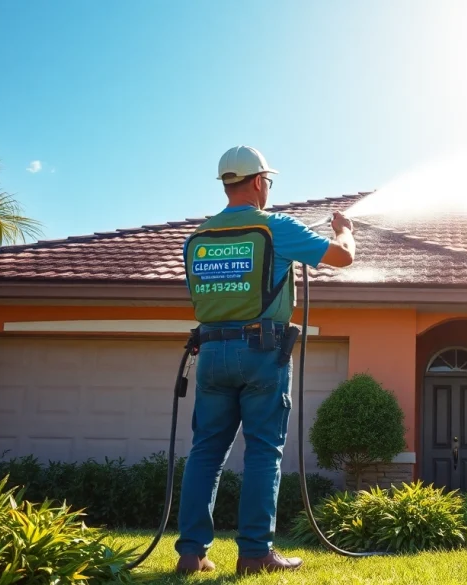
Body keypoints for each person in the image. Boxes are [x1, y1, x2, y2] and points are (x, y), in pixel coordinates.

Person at [174, 145, 356, 575]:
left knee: (205, 452)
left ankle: (190, 554)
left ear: (226, 183)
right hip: (262, 353)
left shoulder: (196, 238)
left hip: (211, 353)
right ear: (258, 181)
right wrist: (345, 229)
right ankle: (255, 554)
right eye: (268, 182)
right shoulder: (275, 228)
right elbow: (343, 257)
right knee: (262, 451)